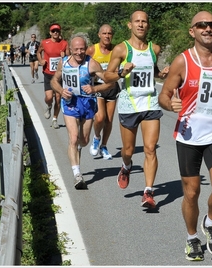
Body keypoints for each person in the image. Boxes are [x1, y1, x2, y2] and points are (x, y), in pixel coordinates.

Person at [158, 11, 212, 261]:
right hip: (189, 136)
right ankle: (192, 238)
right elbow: (164, 94)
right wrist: (169, 105)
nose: (207, 29)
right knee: (192, 193)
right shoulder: (183, 61)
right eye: (201, 25)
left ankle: (211, 222)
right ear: (192, 31)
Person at [104, 10, 170, 209]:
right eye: (137, 21)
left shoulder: (154, 49)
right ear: (129, 25)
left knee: (150, 149)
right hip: (129, 104)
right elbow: (107, 77)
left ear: (148, 25)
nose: (141, 25)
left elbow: (153, 71)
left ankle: (148, 192)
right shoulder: (121, 50)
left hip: (150, 103)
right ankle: (126, 166)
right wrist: (121, 72)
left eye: (144, 22)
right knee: (128, 150)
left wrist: (161, 74)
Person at [51, 34, 115, 189]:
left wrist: (94, 88)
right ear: (70, 49)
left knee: (83, 140)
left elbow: (110, 83)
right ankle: (77, 174)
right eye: (76, 49)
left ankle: (80, 147)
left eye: (82, 49)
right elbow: (54, 81)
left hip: (87, 103)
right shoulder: (63, 62)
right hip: (70, 103)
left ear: (86, 49)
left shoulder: (92, 64)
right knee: (73, 138)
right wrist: (60, 90)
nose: (79, 52)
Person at [86, 24, 120, 160]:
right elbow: (82, 64)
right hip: (98, 87)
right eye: (104, 33)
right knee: (100, 117)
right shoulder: (92, 50)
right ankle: (96, 137)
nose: (107, 36)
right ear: (99, 35)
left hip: (112, 88)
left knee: (109, 120)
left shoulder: (117, 50)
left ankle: (104, 146)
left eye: (109, 33)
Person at [37, 23, 69, 129]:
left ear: (60, 32)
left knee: (59, 98)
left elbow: (69, 58)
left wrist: (65, 57)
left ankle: (55, 119)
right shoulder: (44, 43)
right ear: (50, 32)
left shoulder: (64, 43)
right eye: (53, 31)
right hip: (48, 74)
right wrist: (41, 60)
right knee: (49, 97)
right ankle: (49, 105)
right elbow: (38, 52)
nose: (56, 32)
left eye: (57, 31)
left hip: (59, 75)